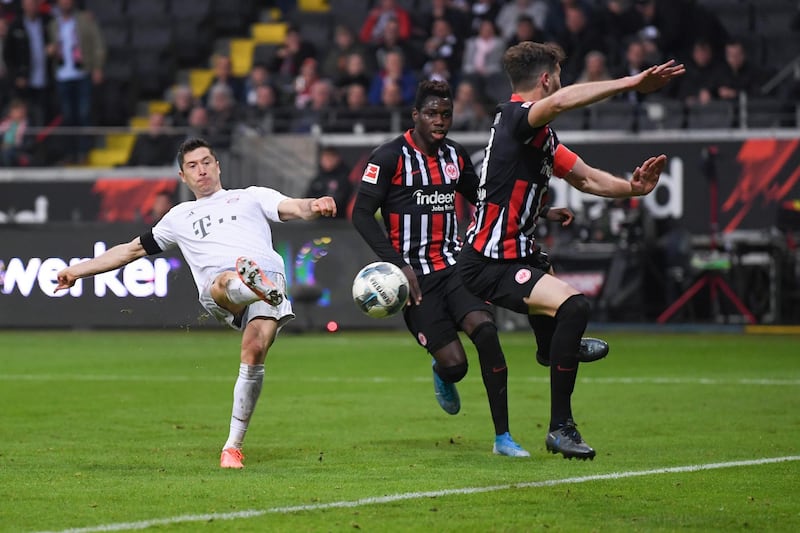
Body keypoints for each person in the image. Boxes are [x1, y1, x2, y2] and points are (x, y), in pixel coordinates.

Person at [352, 80, 607, 457]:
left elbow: (484, 197)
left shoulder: (455, 155)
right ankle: (444, 373)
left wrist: (541, 211)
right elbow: (360, 214)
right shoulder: (389, 157)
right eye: (432, 114)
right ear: (415, 116)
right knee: (456, 366)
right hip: (416, 279)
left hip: (456, 267)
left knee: (487, 333)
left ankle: (502, 437)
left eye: (446, 114)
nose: (440, 121)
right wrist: (398, 265)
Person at [458, 42, 684, 460]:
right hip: (488, 261)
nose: (560, 82)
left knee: (564, 308)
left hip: (516, 254)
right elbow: (562, 100)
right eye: (558, 74)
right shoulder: (515, 117)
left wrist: (633, 188)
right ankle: (561, 427)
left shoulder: (538, 136)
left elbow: (587, 180)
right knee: (574, 308)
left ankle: (553, 348)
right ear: (546, 79)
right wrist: (635, 81)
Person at [54, 137, 338, 469]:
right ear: (182, 177)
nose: (201, 170)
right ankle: (249, 285)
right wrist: (77, 271)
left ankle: (232, 448)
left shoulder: (250, 197)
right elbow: (130, 251)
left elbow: (293, 207)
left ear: (218, 166)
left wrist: (315, 204)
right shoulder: (179, 217)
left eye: (206, 162)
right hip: (223, 286)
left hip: (270, 278)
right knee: (224, 281)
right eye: (192, 166)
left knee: (254, 349)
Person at [305, 146, 352, 218]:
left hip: (338, 222)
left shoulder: (344, 177)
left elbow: (341, 200)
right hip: (317, 221)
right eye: (325, 158)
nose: (327, 161)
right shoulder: (318, 178)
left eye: (330, 158)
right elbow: (307, 198)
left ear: (337, 159)